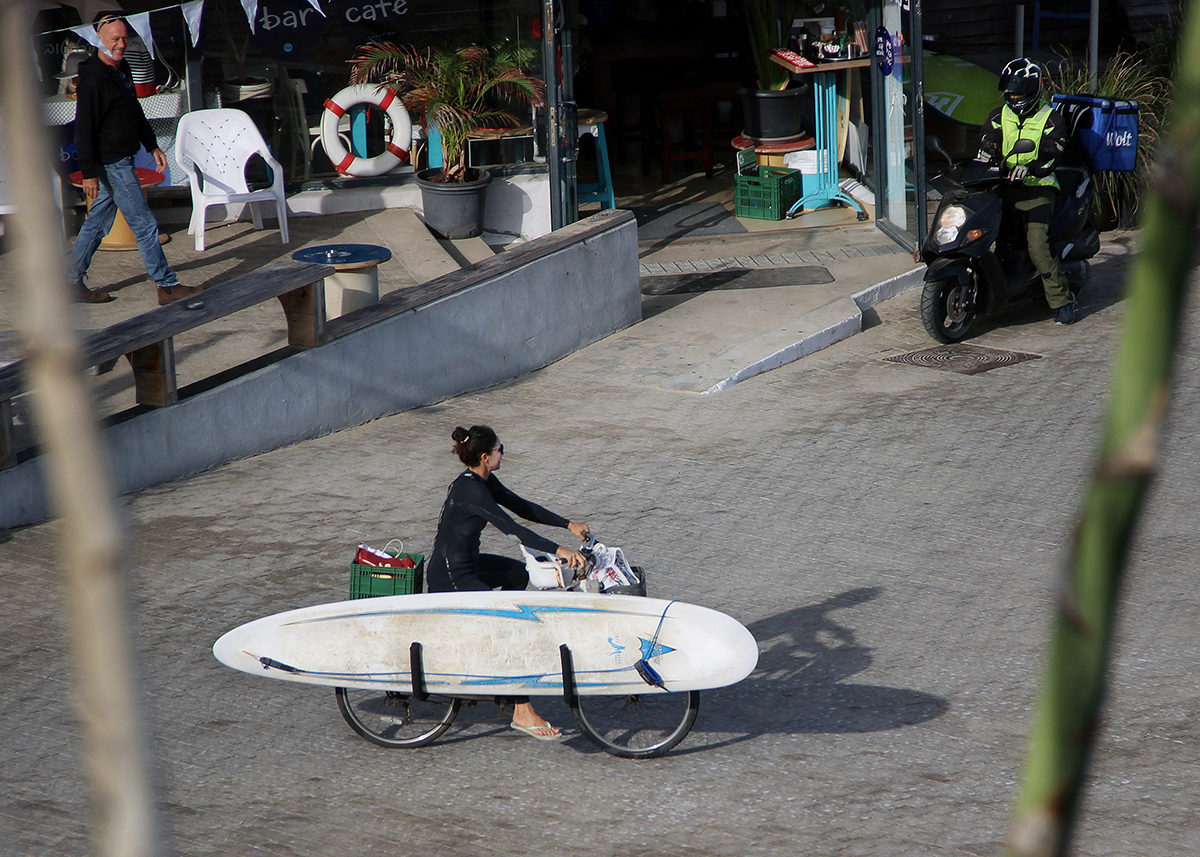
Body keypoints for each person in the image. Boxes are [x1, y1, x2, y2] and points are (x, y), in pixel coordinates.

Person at [426, 424, 590, 740]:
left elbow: (520, 505)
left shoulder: (481, 480)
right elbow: (513, 528)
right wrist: (560, 550)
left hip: (468, 566)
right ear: (486, 457)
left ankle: (495, 653)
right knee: (509, 624)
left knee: (517, 574)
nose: (504, 453)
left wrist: (567, 524)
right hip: (450, 576)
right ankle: (521, 709)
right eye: (502, 449)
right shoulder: (471, 490)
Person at [67, 15, 203, 306]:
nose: (121, 44)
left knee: (97, 224)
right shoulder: (93, 79)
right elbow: (84, 129)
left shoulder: (122, 69)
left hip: (121, 156)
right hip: (111, 162)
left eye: (124, 38)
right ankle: (166, 286)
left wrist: (152, 145)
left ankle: (70, 282)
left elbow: (134, 112)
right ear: (99, 40)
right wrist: (89, 171)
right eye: (115, 39)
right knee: (144, 224)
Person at [979, 57, 1075, 326]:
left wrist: (1032, 169)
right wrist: (985, 159)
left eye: (1020, 93)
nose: (1014, 97)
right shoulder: (998, 116)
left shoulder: (1051, 119)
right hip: (1003, 186)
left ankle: (1062, 301)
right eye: (1010, 93)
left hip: (1038, 189)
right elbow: (987, 144)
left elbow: (1050, 155)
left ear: (1034, 90)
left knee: (1038, 247)